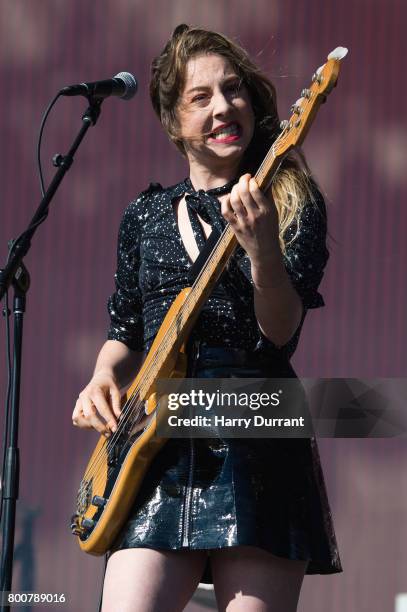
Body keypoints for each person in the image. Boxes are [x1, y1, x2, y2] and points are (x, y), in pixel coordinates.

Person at [72, 24, 342, 612]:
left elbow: (280, 333)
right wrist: (101, 376)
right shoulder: (144, 215)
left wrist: (263, 249)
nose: (224, 107)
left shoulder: (291, 199)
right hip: (155, 445)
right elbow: (125, 331)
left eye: (234, 90)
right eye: (201, 97)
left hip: (258, 437)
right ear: (173, 121)